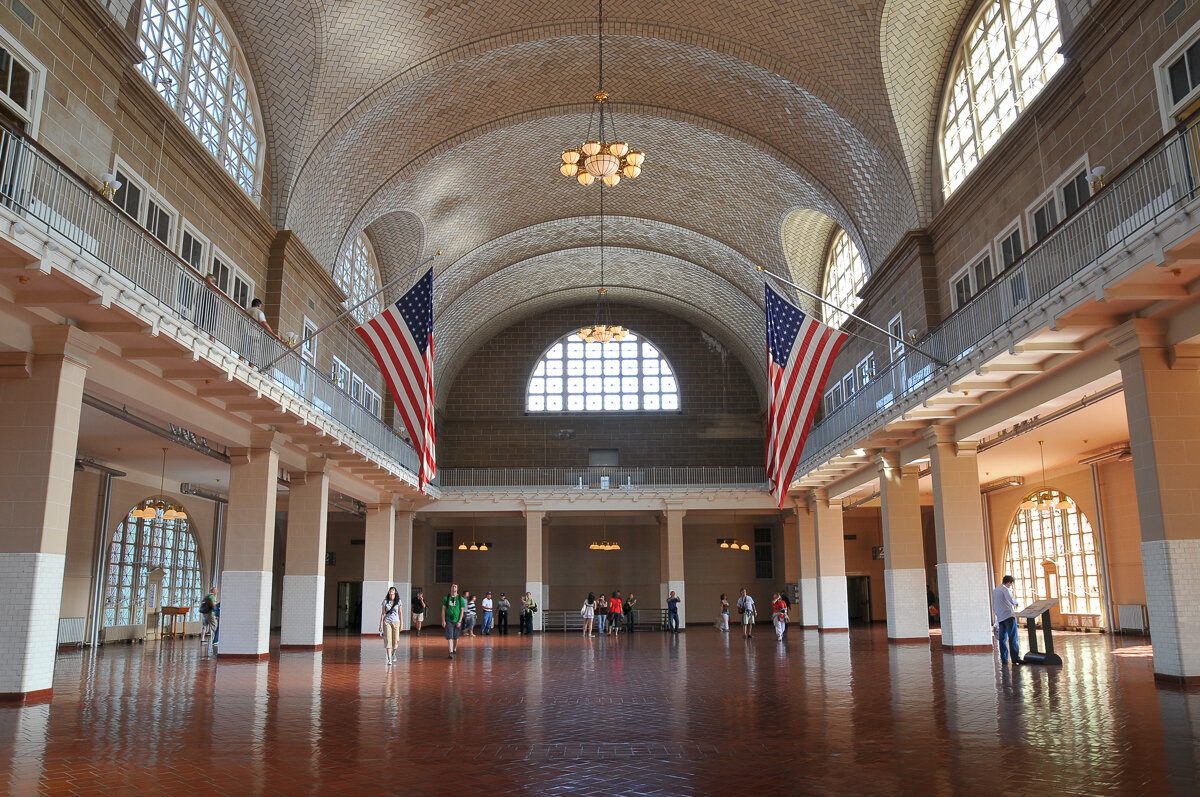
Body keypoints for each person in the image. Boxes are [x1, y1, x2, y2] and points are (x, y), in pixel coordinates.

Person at [992, 575, 1022, 667]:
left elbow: (994, 604)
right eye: (1011, 584)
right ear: (1009, 582)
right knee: (1013, 638)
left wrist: (997, 615)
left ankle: (1004, 659)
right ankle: (1015, 658)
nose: (1011, 586)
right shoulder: (1005, 589)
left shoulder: (996, 590)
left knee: (1002, 639)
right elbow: (1011, 600)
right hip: (1008, 615)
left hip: (1000, 617)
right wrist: (1017, 602)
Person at [378, 586, 403, 666]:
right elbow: (383, 613)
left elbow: (400, 613)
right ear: (389, 593)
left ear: (395, 593)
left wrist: (402, 624)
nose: (391, 594)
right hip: (387, 622)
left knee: (396, 640)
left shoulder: (398, 601)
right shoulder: (385, 601)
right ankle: (389, 659)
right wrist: (380, 624)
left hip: (396, 622)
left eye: (393, 592)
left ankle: (393, 654)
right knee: (388, 640)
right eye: (390, 592)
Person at [442, 583, 466, 658]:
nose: (454, 588)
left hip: (457, 620)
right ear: (451, 588)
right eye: (452, 586)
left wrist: (459, 621)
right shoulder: (446, 598)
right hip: (449, 620)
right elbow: (443, 610)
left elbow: (462, 611)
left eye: (455, 586)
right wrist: (443, 620)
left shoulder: (460, 599)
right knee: (450, 637)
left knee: (456, 637)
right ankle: (451, 652)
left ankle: (454, 649)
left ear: (457, 589)